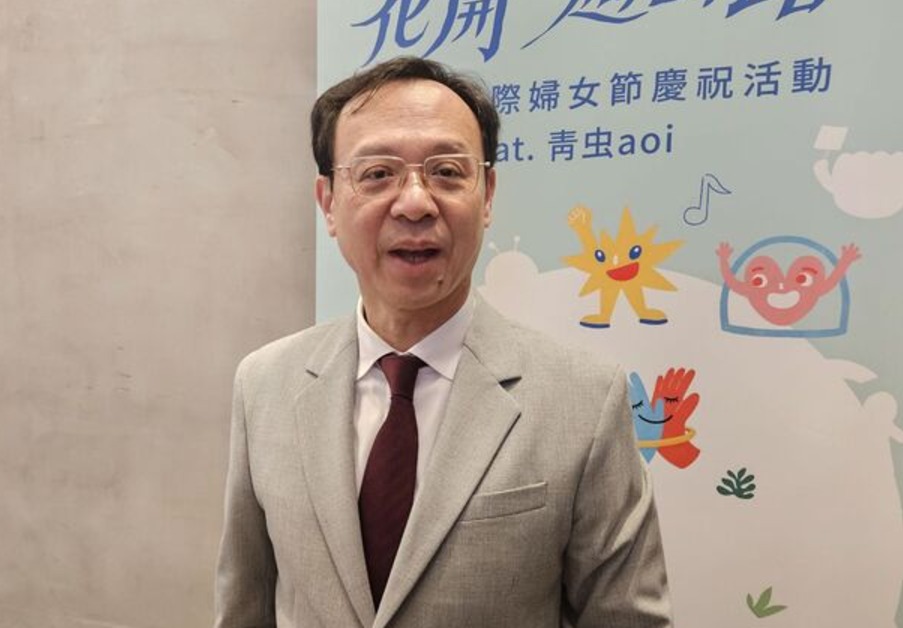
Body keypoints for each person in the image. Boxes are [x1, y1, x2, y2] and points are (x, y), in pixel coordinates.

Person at [215, 56, 671, 628]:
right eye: (377, 174)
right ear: (328, 202)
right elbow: (244, 606)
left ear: (487, 195)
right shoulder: (264, 385)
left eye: (447, 172)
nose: (414, 202)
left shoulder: (585, 400)